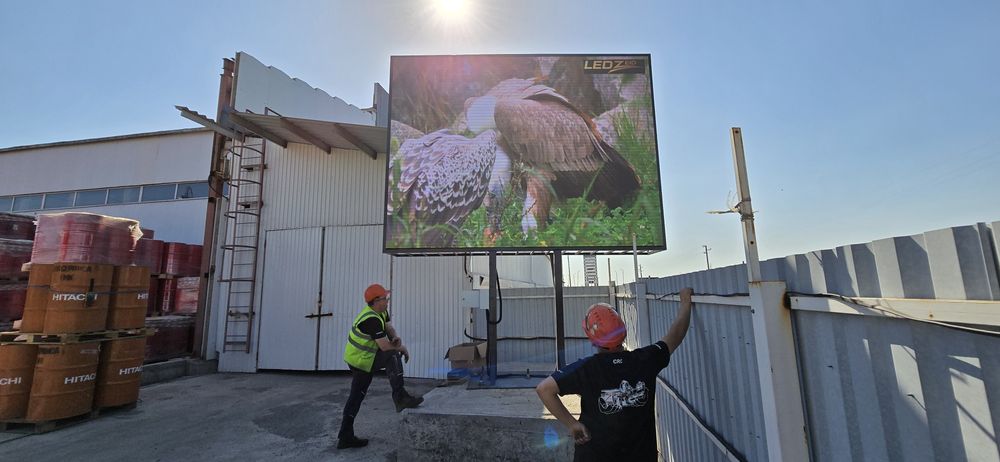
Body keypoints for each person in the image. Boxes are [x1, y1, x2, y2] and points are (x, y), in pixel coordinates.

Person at [536, 288, 695, 461]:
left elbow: (544, 389)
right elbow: (676, 335)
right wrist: (685, 302)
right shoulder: (645, 360)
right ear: (623, 331)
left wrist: (572, 424)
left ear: (591, 338)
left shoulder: (585, 368)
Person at [337, 283, 424, 449]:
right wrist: (401, 347)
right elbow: (384, 347)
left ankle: (345, 436)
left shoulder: (380, 311)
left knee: (358, 395)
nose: (388, 301)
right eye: (385, 298)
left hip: (367, 357)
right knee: (357, 395)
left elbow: (388, 326)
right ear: (376, 301)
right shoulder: (370, 319)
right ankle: (400, 398)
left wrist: (395, 337)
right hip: (359, 361)